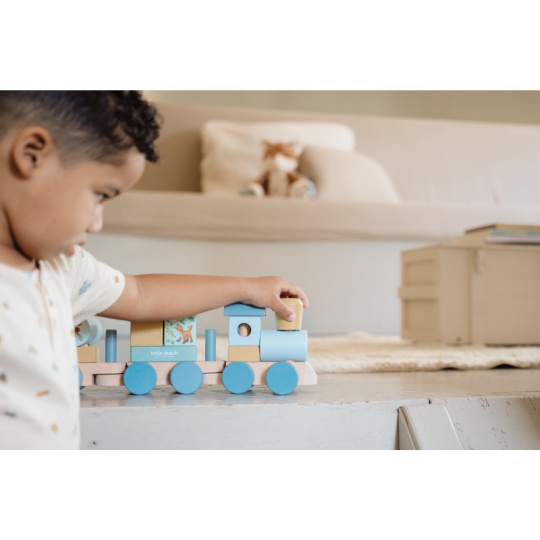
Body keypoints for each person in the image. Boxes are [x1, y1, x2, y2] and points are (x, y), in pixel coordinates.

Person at [0, 91, 309, 449]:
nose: (97, 223)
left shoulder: (63, 266)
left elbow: (140, 294)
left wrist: (246, 287)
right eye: (99, 195)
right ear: (32, 154)